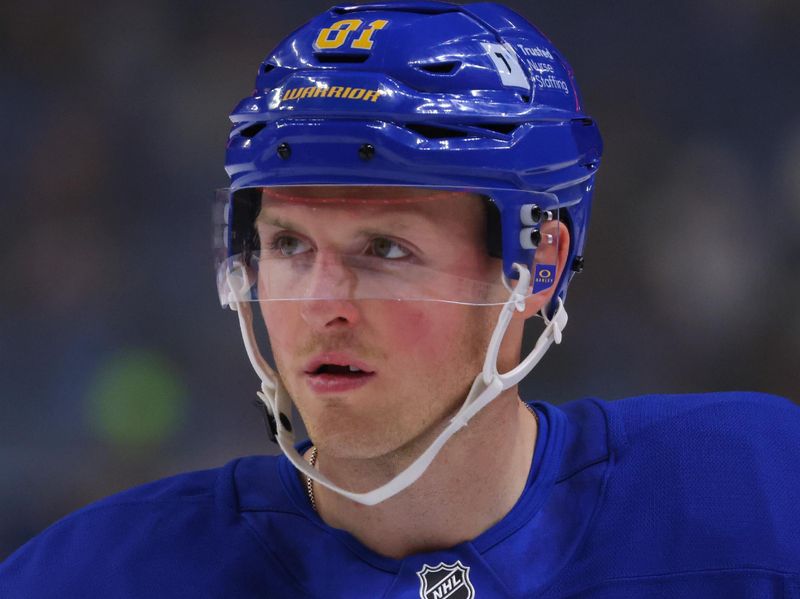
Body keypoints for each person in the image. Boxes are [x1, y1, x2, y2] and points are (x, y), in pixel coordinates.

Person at [2, 2, 799, 597]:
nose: (321, 304)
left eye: (384, 250)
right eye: (287, 245)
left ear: (538, 267)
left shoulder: (758, 494)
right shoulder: (91, 576)